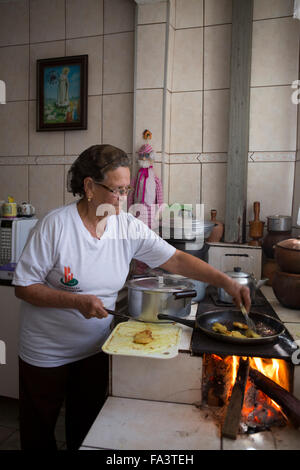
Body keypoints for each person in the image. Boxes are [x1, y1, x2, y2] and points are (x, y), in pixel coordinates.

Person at [13, 144, 251, 451]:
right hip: (46, 354)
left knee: (85, 429)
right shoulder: (55, 226)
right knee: (39, 433)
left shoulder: (126, 226)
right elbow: (24, 286)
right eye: (116, 190)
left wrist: (226, 282)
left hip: (96, 349)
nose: (124, 199)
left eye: (127, 190)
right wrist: (76, 301)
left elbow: (175, 259)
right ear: (89, 186)